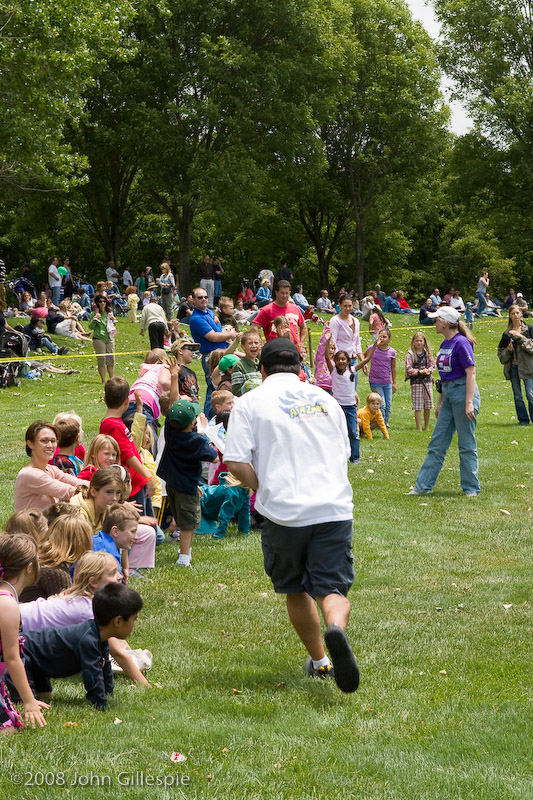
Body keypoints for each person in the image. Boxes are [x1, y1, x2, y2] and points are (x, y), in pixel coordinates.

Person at [224, 338, 360, 694]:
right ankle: (336, 629)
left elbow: (235, 461)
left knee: (294, 588)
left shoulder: (249, 402)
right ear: (301, 368)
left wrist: (263, 487)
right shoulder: (327, 400)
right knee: (331, 587)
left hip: (283, 512)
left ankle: (320, 660)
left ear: (262, 369)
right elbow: (344, 451)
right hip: (333, 507)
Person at [19, 551, 150, 686]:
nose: (120, 576)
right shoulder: (89, 610)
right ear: (93, 582)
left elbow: (117, 640)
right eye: (112, 573)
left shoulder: (82, 598)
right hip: (18, 624)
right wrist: (145, 684)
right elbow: (117, 652)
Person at [19, 583, 142, 711]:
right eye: (134, 619)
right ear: (118, 621)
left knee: (45, 697)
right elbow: (92, 675)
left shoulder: (99, 636)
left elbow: (104, 666)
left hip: (39, 662)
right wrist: (101, 705)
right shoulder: (88, 640)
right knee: (24, 700)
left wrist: (108, 693)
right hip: (24, 653)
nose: (134, 625)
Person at [409, 306, 480, 496]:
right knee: (437, 443)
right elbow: (444, 377)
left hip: (463, 393)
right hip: (448, 394)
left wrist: (469, 402)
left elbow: (471, 373)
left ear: (446, 323)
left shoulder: (461, 343)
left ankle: (471, 489)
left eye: (436, 320)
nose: (434, 323)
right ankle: (423, 487)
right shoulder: (444, 343)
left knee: (466, 445)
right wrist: (440, 402)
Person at [157, 399, 218, 566]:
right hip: (187, 487)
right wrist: (204, 431)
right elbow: (214, 458)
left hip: (172, 483)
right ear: (192, 422)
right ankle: (184, 557)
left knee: (182, 518)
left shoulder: (170, 432)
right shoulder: (197, 441)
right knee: (188, 523)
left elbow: (170, 417)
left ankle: (185, 550)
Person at [0, 533, 49, 730]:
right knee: (8, 731)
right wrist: (28, 701)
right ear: (29, 567)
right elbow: (12, 657)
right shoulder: (7, 603)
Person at [100, 377, 154, 509]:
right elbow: (128, 456)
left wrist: (139, 408)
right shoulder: (114, 426)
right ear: (126, 401)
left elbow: (132, 442)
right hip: (133, 486)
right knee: (143, 525)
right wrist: (149, 477)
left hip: (137, 482)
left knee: (150, 526)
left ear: (105, 399)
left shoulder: (114, 422)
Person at [323, 330, 378, 463]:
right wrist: (328, 341)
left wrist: (375, 344)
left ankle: (355, 457)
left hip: (351, 407)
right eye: (338, 359)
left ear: (348, 361)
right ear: (335, 361)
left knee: (353, 432)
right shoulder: (333, 371)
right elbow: (326, 356)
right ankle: (337, 456)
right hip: (338, 406)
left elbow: (367, 359)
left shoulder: (352, 370)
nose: (341, 361)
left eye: (343, 359)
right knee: (337, 431)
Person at [14, 422, 88, 512]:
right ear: (30, 444)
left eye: (53, 441)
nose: (49, 445)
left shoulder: (50, 469)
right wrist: (98, 490)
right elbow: (68, 492)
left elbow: (77, 482)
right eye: (43, 441)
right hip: (32, 525)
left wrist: (99, 486)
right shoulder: (29, 474)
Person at [189, 287, 237, 414]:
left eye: (205, 297)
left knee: (224, 387)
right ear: (193, 300)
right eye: (200, 297)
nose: (204, 299)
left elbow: (220, 312)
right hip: (212, 356)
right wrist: (231, 334)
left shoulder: (209, 313)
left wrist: (216, 315)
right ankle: (210, 418)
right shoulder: (196, 318)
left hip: (223, 353)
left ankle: (224, 414)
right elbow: (213, 337)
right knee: (214, 390)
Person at [497, 304, 533, 425]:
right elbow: (501, 356)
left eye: (518, 313)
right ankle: (523, 420)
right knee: (517, 396)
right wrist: (507, 350)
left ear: (521, 314)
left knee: (530, 394)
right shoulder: (506, 335)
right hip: (513, 368)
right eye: (513, 313)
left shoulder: (529, 330)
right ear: (510, 316)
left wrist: (521, 338)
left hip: (528, 367)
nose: (516, 315)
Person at [252, 281, 306, 348]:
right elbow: (254, 327)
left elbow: (303, 327)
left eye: (287, 293)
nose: (285, 296)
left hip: (294, 349)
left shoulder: (295, 308)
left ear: (289, 293)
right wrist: (261, 343)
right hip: (275, 350)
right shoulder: (267, 310)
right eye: (282, 293)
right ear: (276, 292)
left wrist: (301, 343)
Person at [328, 295, 365, 391]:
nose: (348, 309)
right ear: (339, 305)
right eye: (345, 306)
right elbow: (333, 341)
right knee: (342, 390)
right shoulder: (335, 321)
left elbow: (357, 343)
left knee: (353, 390)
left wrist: (363, 361)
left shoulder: (356, 321)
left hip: (353, 360)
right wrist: (338, 360)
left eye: (350, 306)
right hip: (341, 362)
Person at [405, 332, 435, 431]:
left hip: (427, 381)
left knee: (428, 404)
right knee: (418, 405)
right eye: (417, 341)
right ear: (413, 342)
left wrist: (428, 370)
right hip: (416, 382)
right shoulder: (410, 354)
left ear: (424, 342)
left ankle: (426, 426)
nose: (419, 343)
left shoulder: (427, 353)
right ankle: (419, 428)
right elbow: (409, 369)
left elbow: (432, 366)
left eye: (421, 341)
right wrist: (420, 371)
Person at [367, 328, 396, 427]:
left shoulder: (392, 352)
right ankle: (381, 423)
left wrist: (394, 382)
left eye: (384, 337)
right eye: (380, 336)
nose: (382, 339)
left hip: (387, 382)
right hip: (375, 381)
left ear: (389, 339)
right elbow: (364, 357)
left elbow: (393, 367)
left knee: (388, 405)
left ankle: (385, 422)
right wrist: (364, 366)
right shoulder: (372, 348)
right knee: (381, 404)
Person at [89, 293, 116, 384]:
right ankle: (103, 380)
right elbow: (91, 327)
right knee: (101, 360)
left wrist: (113, 321)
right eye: (100, 301)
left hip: (109, 338)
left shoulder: (109, 313)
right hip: (98, 338)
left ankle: (112, 379)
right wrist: (95, 319)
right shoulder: (94, 313)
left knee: (111, 359)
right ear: (97, 303)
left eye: (104, 301)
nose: (103, 303)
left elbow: (112, 325)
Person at [231, 330, 262, 397]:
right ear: (243, 347)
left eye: (256, 343)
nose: (254, 345)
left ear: (260, 346)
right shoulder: (239, 365)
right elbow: (236, 391)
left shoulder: (262, 365)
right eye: (250, 343)